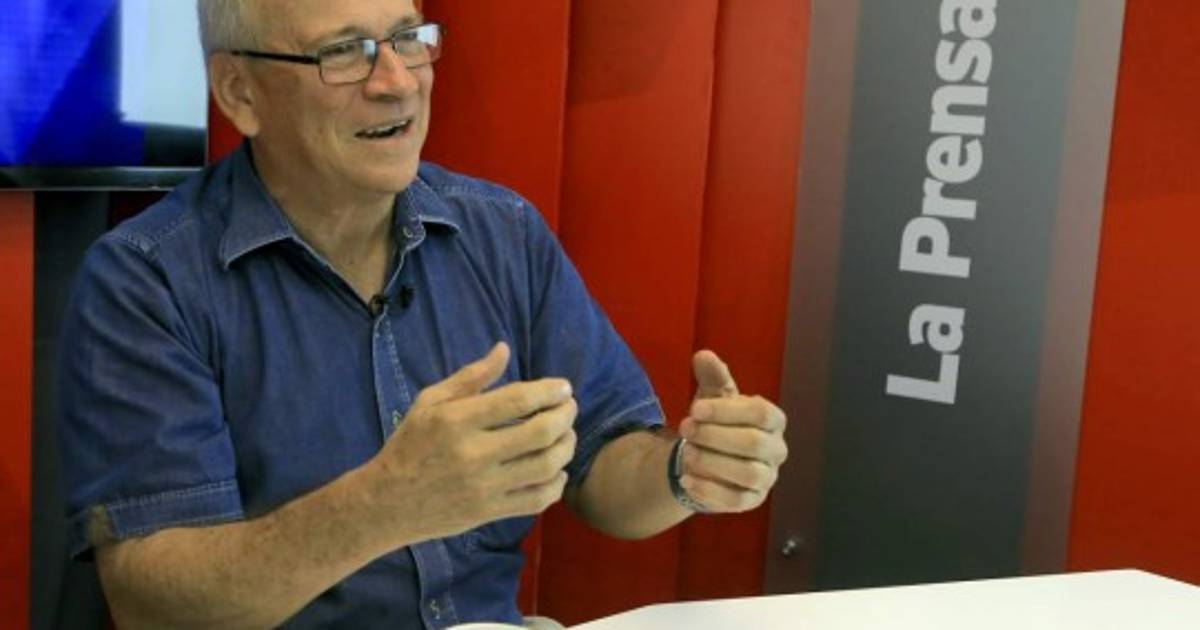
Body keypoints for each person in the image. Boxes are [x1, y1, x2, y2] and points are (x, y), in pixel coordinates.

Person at [57, 1, 790, 628]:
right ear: (239, 92)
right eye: (344, 53)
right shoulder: (147, 279)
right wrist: (385, 503)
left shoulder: (501, 232)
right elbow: (154, 604)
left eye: (409, 39)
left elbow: (603, 465)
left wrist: (685, 470)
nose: (398, 82)